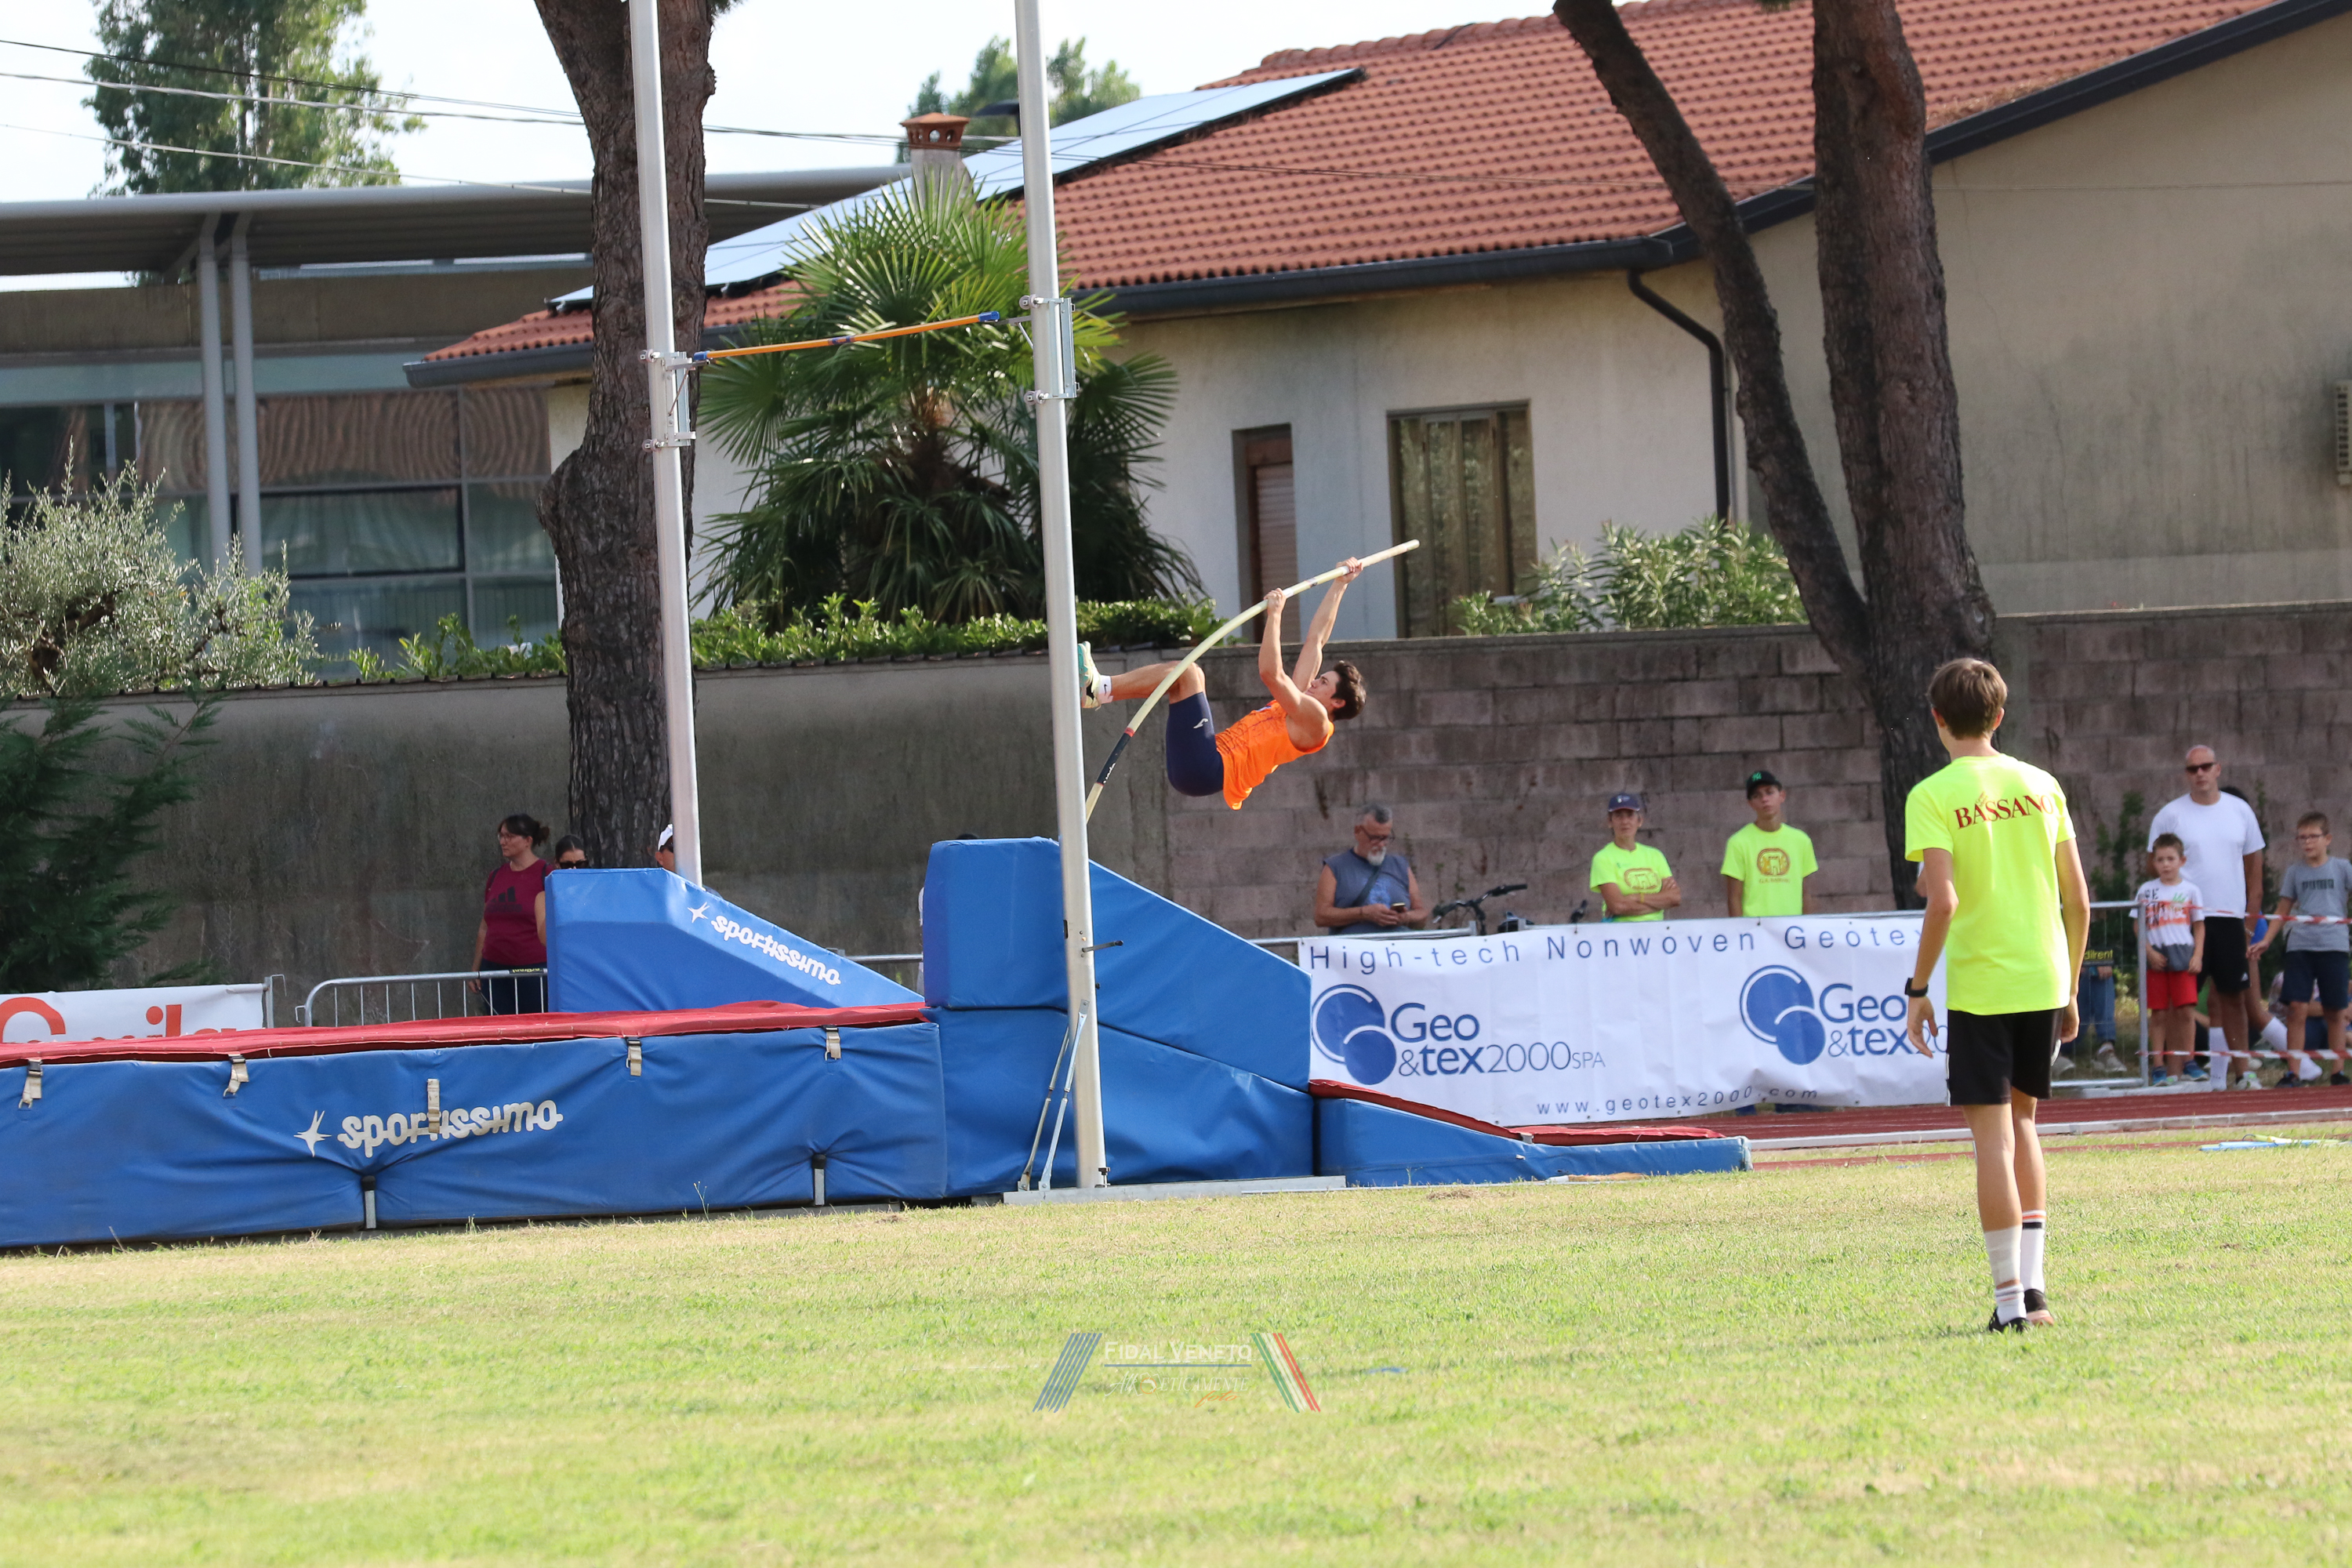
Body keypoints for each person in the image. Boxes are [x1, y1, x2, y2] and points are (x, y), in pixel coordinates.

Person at [1903, 658, 2089, 1333]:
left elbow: (1942, 901)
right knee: (2025, 1124)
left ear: (1937, 719)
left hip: (1984, 985)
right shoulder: (2041, 784)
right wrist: (2070, 987)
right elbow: (2078, 901)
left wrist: (1918, 989)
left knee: (1990, 1140)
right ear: (2000, 716)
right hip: (2043, 976)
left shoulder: (1932, 793)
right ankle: (2034, 1292)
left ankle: (2009, 1303)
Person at [1080, 558, 1368, 811]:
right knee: (1183, 679)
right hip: (1203, 762)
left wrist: (1275, 617)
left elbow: (1271, 674)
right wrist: (1339, 585)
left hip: (1208, 769)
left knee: (1189, 674)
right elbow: (1316, 641)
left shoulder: (1316, 723)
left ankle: (1098, 689)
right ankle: (1099, 691)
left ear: (1337, 702)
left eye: (1324, 682)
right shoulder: (1298, 705)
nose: (1314, 681)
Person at [2148, 748, 2264, 1088]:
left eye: (2205, 767)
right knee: (2179, 1002)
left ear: (2218, 769)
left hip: (2229, 919)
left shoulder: (2240, 811)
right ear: (2186, 773)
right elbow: (2155, 869)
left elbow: (2255, 873)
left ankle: (2243, 1073)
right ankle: (2174, 1074)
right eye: (2192, 768)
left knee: (2234, 997)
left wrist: (2248, 926)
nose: (2199, 773)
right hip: (2183, 923)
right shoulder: (2170, 815)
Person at [2251, 811, 2348, 1087]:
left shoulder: (2342, 868)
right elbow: (2283, 908)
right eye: (2302, 838)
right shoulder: (2295, 872)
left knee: (2335, 1009)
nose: (2307, 842)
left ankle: (2338, 1071)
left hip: (2334, 945)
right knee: (2296, 1008)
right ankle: (2293, 1072)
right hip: (2300, 946)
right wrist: (2267, 939)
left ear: (2327, 839)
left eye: (2313, 837)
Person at [2135, 833, 2205, 1084]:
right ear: (2154, 862)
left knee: (2186, 1010)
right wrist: (2149, 951)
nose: (2165, 864)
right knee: (2159, 1013)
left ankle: (2190, 1061)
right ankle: (2158, 1066)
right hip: (2157, 956)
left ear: (2181, 861)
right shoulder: (2146, 890)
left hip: (2183, 955)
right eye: (2160, 859)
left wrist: (2197, 955)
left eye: (2170, 859)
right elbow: (2138, 924)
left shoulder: (2191, 891)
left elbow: (2199, 925)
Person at [474, 812, 550, 1015]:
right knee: (499, 1026)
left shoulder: (546, 874)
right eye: (501, 836)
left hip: (533, 971)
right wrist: (476, 969)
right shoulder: (496, 876)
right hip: (494, 970)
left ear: (527, 841)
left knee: (534, 1026)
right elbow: (485, 927)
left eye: (509, 836)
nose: (503, 842)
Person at [1315, 804, 1431, 933]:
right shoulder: (1335, 866)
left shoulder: (1400, 865)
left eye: (1386, 838)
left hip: (1398, 941)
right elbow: (1321, 916)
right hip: (1355, 943)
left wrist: (1405, 917)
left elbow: (1421, 914)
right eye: (1375, 838)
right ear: (1358, 831)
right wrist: (1363, 913)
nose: (1381, 845)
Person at [1720, 768, 1817, 917]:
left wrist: (1807, 927)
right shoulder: (1738, 842)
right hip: (1755, 927)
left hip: (1792, 927)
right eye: (1757, 795)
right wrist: (1741, 930)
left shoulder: (1801, 840)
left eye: (1769, 792)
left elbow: (1806, 893)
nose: (1764, 799)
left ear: (1782, 796)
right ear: (1750, 803)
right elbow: (1734, 897)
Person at [1592, 793, 1679, 922]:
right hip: (1621, 931)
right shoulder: (1603, 858)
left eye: (1630, 815)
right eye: (1619, 816)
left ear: (1640, 821)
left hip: (1657, 930)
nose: (1625, 821)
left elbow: (1675, 898)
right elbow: (1618, 906)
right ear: (1610, 822)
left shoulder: (1655, 855)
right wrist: (1660, 903)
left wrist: (1637, 897)